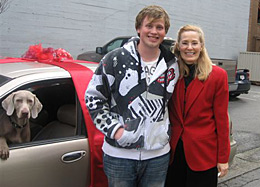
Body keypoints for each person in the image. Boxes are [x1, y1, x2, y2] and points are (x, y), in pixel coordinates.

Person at [85, 5, 179, 187]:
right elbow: (93, 98)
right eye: (149, 26)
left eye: (159, 27)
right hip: (119, 156)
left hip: (158, 156)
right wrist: (117, 131)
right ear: (138, 28)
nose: (153, 31)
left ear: (165, 31)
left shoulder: (172, 64)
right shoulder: (114, 59)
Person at [166, 25, 230, 187]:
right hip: (174, 153)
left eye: (194, 43)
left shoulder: (217, 76)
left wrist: (223, 158)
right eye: (185, 43)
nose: (189, 47)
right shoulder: (171, 73)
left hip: (203, 155)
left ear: (201, 46)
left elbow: (222, 121)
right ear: (178, 46)